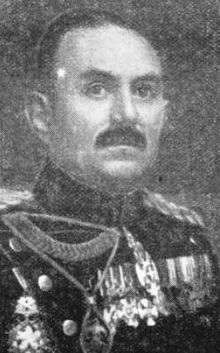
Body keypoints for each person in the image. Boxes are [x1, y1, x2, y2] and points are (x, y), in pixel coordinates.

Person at [0, 9, 219, 353]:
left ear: (163, 115)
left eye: (144, 90)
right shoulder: (7, 246)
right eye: (97, 89)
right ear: (42, 115)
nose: (127, 115)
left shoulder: (186, 239)